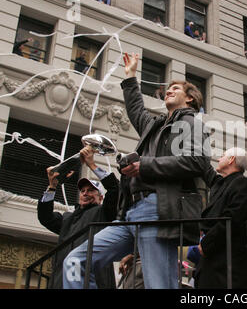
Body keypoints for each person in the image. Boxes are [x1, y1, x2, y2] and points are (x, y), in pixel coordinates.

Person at [63, 52, 210, 289]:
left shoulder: (191, 123)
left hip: (156, 213)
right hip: (129, 214)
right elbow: (135, 109)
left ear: (191, 99)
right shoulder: (155, 126)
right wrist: (130, 75)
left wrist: (145, 166)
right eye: (168, 89)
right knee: (75, 260)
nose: (168, 91)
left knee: (159, 285)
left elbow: (197, 162)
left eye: (175, 89)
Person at [37, 145, 119, 289]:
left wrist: (91, 165)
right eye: (82, 191)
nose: (85, 193)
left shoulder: (104, 213)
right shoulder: (67, 218)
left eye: (91, 191)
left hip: (94, 279)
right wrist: (52, 186)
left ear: (100, 197)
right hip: (62, 280)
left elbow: (115, 189)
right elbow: (45, 217)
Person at [196, 147, 247, 288]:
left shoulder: (242, 184)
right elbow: (205, 170)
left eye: (222, 156)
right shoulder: (220, 184)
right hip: (213, 261)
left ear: (231, 159)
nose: (218, 159)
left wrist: (206, 243)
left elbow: (233, 218)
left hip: (226, 265)